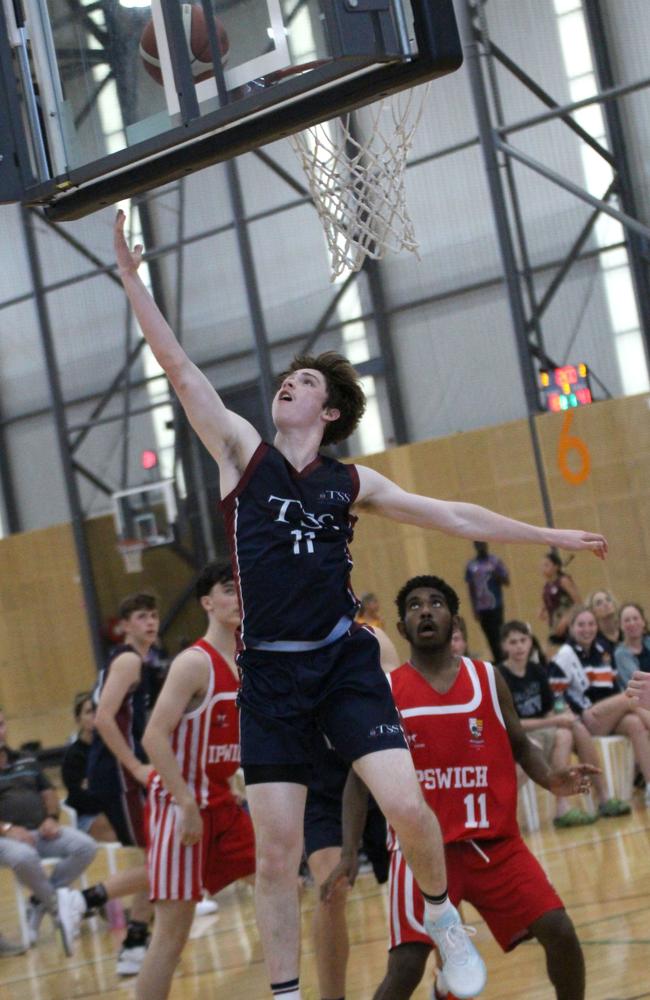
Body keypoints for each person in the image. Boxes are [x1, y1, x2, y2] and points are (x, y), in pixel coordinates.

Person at [113, 208, 607, 1000]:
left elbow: (455, 516)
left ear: (329, 412)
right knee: (276, 857)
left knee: (409, 809)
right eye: (288, 378)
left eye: (305, 382)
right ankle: (285, 995)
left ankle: (443, 917)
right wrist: (133, 281)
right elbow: (179, 370)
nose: (288, 383)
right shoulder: (242, 452)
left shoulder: (352, 483)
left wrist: (549, 531)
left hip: (342, 662)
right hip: (270, 676)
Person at [323, 575, 595, 1000]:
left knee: (559, 930)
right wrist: (346, 853)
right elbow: (359, 780)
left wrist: (552, 779)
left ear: (454, 621)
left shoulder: (487, 678)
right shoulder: (387, 693)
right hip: (419, 852)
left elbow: (521, 745)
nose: (426, 610)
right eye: (414, 606)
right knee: (406, 967)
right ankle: (443, 985)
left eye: (436, 603)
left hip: (495, 846)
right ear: (402, 628)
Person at [133, 561, 255, 1000]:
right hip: (179, 808)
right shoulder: (193, 663)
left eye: (241, 588)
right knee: (171, 936)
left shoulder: (244, 662)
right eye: (228, 590)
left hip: (221, 803)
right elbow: (153, 736)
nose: (238, 597)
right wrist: (185, 803)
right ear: (207, 603)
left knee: (282, 889)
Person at [306, 625, 399, 1000]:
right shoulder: (283, 645)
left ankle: (446, 985)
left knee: (419, 883)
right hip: (321, 784)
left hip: (376, 773)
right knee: (331, 890)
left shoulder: (372, 639)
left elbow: (397, 703)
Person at [85, 591, 159, 975]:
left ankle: (134, 941)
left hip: (123, 774)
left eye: (153, 616)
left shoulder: (139, 661)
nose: (150, 622)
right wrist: (134, 766)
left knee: (158, 858)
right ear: (125, 625)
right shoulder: (129, 659)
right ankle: (84, 900)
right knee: (161, 860)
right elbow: (102, 719)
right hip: (118, 775)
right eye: (141, 617)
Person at [498, 620, 629, 826]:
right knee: (565, 732)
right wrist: (556, 720)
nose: (519, 646)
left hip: (545, 729)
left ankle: (603, 797)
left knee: (576, 727)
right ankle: (562, 807)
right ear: (504, 646)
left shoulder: (537, 671)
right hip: (521, 736)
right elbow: (511, 725)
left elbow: (551, 708)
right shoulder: (500, 676)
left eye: (523, 641)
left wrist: (562, 715)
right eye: (513, 642)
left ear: (530, 643)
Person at [0, 709, 97, 955]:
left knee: (85, 847)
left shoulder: (26, 759)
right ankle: (57, 906)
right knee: (23, 857)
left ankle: (39, 902)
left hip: (41, 831)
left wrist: (51, 819)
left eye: (1, 724)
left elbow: (49, 792)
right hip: (6, 839)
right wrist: (8, 829)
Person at [549, 606, 650, 806]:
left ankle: (649, 785)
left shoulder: (603, 650)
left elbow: (612, 687)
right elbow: (556, 696)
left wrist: (615, 708)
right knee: (631, 697)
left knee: (634, 723)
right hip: (587, 717)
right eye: (581, 625)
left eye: (591, 624)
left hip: (607, 715)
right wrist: (575, 714)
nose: (587, 629)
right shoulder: (565, 656)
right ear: (571, 628)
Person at [61, 692, 117, 841]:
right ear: (78, 719)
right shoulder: (73, 756)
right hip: (87, 815)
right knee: (112, 826)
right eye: (89, 712)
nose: (95, 715)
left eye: (97, 710)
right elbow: (79, 795)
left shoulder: (113, 745)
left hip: (113, 807)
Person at [464, 541, 509, 661]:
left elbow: (506, 581)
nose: (481, 547)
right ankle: (497, 659)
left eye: (482, 544)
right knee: (489, 635)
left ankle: (504, 659)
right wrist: (474, 609)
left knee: (499, 633)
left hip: (496, 605)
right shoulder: (471, 565)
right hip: (481, 608)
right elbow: (471, 588)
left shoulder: (495, 561)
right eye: (478, 544)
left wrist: (496, 575)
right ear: (475, 546)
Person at [540, 552, 580, 646]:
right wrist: (543, 610)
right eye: (542, 565)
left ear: (556, 567)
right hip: (555, 627)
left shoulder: (563, 581)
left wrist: (566, 618)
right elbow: (549, 603)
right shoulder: (546, 586)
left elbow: (578, 603)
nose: (543, 568)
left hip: (570, 625)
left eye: (546, 565)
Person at [614, 603, 650, 687]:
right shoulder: (621, 654)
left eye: (635, 618)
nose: (632, 623)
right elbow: (639, 683)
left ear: (643, 622)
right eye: (627, 620)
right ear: (621, 626)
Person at [586, 590, 621, 657]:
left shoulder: (625, 628)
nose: (606, 604)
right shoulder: (593, 641)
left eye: (608, 600)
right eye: (599, 603)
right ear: (592, 612)